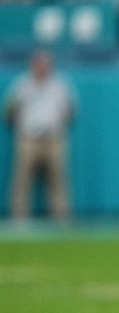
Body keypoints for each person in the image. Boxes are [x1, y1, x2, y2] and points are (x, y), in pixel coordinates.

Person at [2, 50, 77, 219]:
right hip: (29, 137)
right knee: (22, 179)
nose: (42, 67)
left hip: (53, 138)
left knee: (58, 178)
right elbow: (9, 110)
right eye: (39, 64)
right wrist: (20, 129)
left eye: (45, 64)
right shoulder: (22, 84)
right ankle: (19, 217)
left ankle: (62, 216)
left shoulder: (60, 85)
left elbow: (71, 111)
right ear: (33, 65)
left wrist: (60, 127)